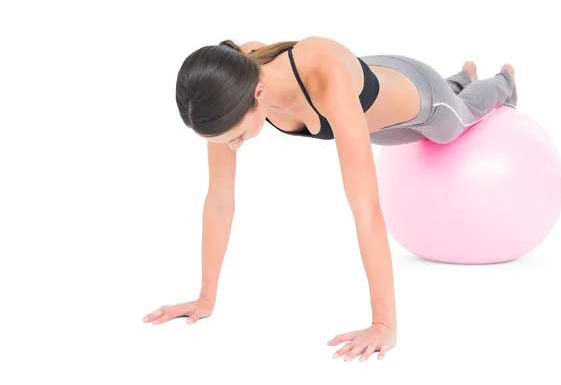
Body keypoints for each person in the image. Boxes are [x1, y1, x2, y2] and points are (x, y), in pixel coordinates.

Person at [142, 36, 518, 362]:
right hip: (372, 117)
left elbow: (366, 208)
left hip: (421, 99)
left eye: (237, 136)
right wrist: (205, 298)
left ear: (258, 95)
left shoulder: (324, 75)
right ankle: (462, 76)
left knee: (457, 123)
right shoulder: (230, 83)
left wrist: (383, 324)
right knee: (445, 99)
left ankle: (502, 82)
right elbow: (220, 201)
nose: (232, 146)